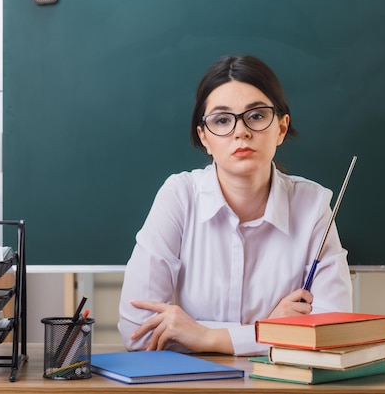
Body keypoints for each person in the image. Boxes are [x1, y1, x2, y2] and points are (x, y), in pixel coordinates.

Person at [118, 55, 353, 356]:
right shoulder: (179, 196)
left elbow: (330, 333)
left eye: (256, 116)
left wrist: (204, 336)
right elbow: (138, 334)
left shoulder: (312, 204)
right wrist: (269, 331)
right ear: (204, 137)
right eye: (222, 120)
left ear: (281, 128)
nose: (240, 132)